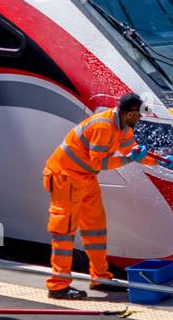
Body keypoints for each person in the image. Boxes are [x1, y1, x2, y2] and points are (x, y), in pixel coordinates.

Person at [42, 93, 147, 299]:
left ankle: (100, 278)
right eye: (138, 115)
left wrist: (160, 160)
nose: (140, 119)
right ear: (129, 113)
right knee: (64, 232)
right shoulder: (103, 127)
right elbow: (98, 163)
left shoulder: (123, 127)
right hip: (66, 178)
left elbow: (133, 151)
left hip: (85, 179)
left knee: (96, 229)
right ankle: (57, 286)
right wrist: (128, 160)